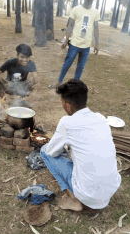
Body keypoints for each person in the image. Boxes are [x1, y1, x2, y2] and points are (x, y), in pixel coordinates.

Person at [41, 79, 121, 211]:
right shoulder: (101, 118)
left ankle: (73, 199)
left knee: (45, 151)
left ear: (66, 105)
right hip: (110, 189)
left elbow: (51, 152)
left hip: (87, 195)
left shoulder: (67, 122)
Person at [52, 0, 100, 88]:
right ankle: (59, 82)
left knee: (80, 67)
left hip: (86, 46)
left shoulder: (95, 12)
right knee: (67, 64)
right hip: (74, 44)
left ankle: (74, 87)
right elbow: (70, 26)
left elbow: (96, 28)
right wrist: (66, 40)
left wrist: (96, 44)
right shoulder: (76, 9)